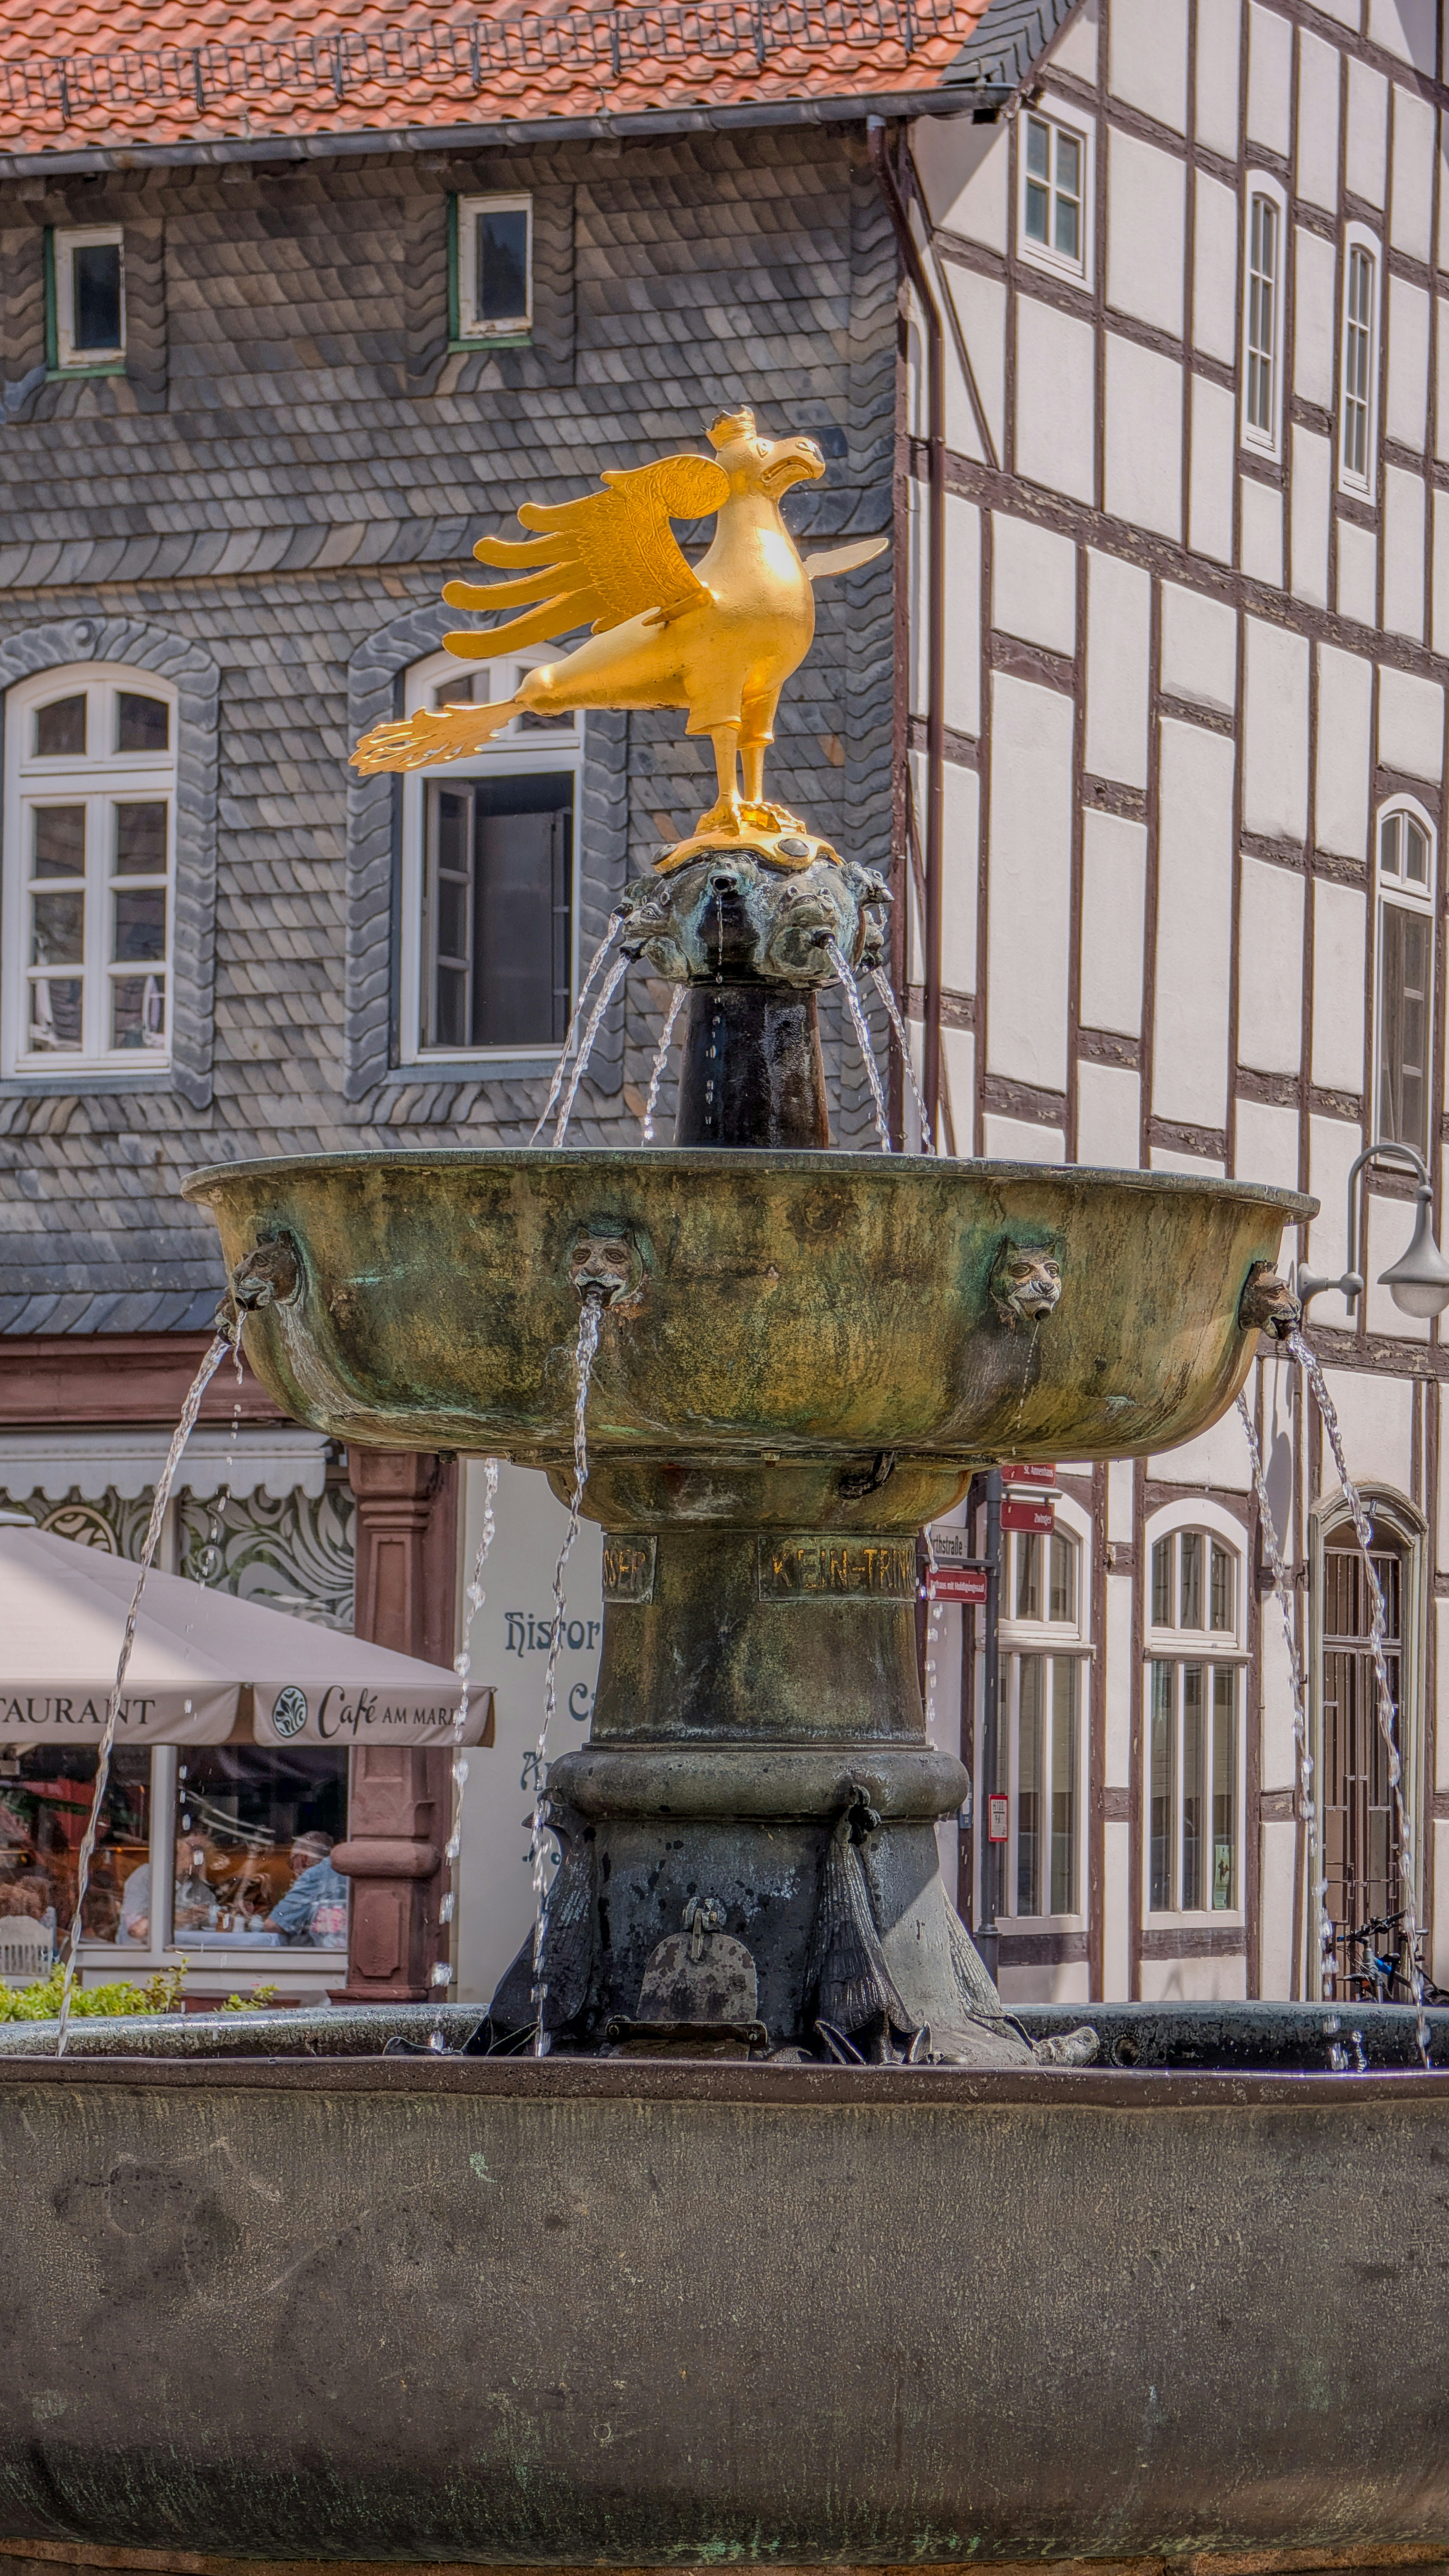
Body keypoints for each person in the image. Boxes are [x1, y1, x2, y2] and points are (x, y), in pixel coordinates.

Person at [121, 1829, 216, 1945]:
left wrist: (208, 1916)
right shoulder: (147, 1876)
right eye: (195, 1849)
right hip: (142, 1956)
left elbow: (214, 1920)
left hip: (185, 1955)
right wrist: (177, 1920)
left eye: (204, 1852)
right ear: (176, 1848)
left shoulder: (197, 1885)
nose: (200, 1857)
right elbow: (136, 1930)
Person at [266, 1831, 348, 1948]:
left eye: (291, 1863)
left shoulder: (314, 1875)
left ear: (303, 1860)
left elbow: (273, 1925)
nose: (292, 1870)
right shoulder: (342, 1871)